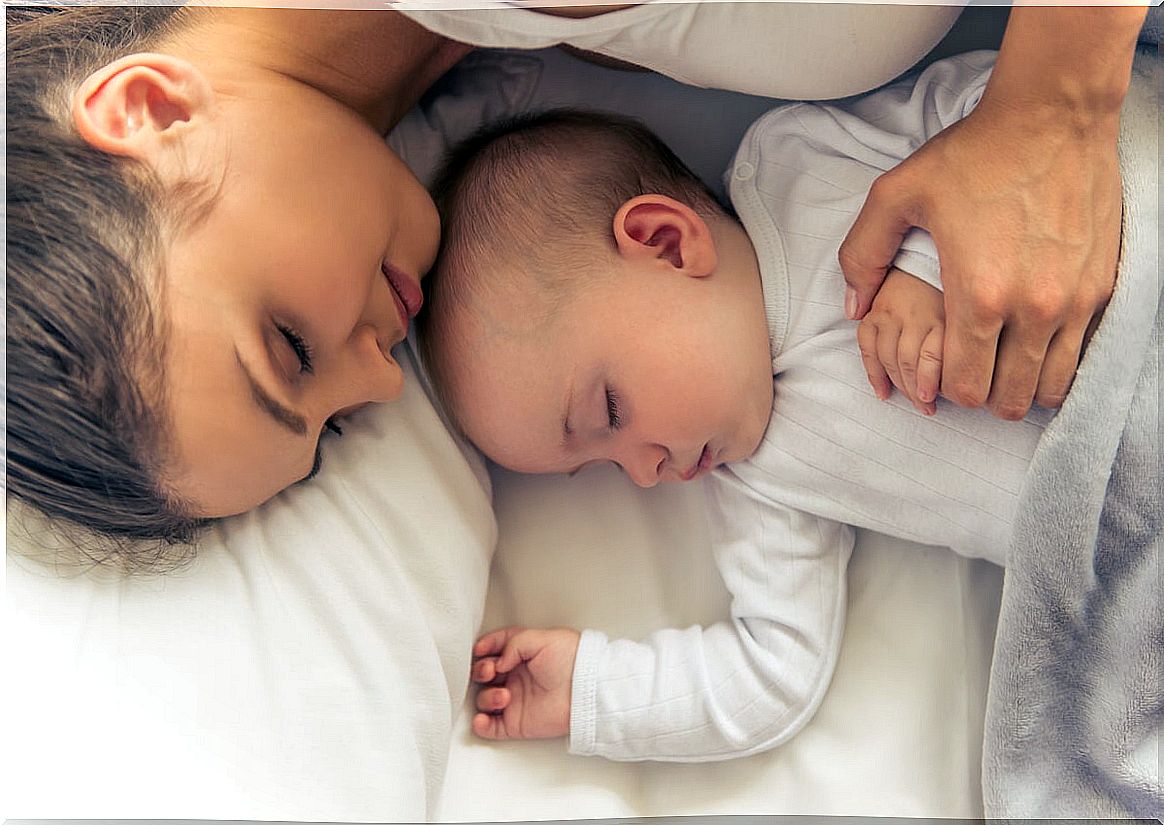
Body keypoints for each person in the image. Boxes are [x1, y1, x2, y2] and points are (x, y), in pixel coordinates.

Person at [4, 4, 1150, 565]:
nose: (382, 382)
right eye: (337, 425)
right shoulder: (496, 74)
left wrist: (1055, 106)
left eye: (289, 348)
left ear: (146, 112)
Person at [416, 50, 1109, 757]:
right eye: (602, 466)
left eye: (609, 415)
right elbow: (775, 672)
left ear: (665, 243)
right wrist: (594, 689)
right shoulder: (756, 482)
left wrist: (925, 261)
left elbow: (998, 106)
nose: (645, 472)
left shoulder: (799, 169)